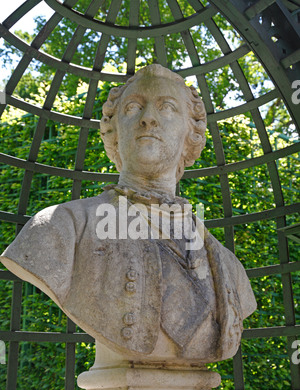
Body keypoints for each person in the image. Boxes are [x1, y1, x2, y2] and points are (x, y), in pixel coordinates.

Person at [0, 64, 256, 364]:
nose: (148, 118)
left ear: (192, 134)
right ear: (114, 132)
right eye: (134, 107)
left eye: (167, 108)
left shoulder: (228, 266)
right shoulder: (60, 227)